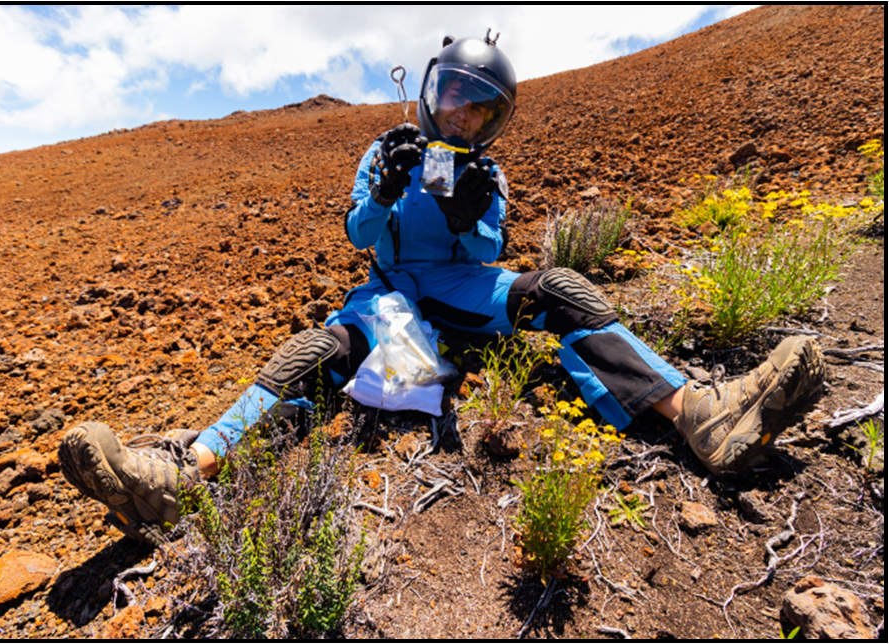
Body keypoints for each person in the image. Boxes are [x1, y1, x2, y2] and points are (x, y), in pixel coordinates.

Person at [59, 32, 825, 547]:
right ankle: (186, 473)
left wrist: (466, 217)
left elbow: (490, 248)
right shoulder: (382, 149)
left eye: (480, 105)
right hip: (390, 301)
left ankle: (700, 413)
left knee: (558, 287)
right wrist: (383, 196)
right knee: (323, 349)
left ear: (494, 119)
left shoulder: (485, 172)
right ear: (432, 89)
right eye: (455, 92)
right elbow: (359, 236)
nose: (463, 110)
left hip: (465, 293)